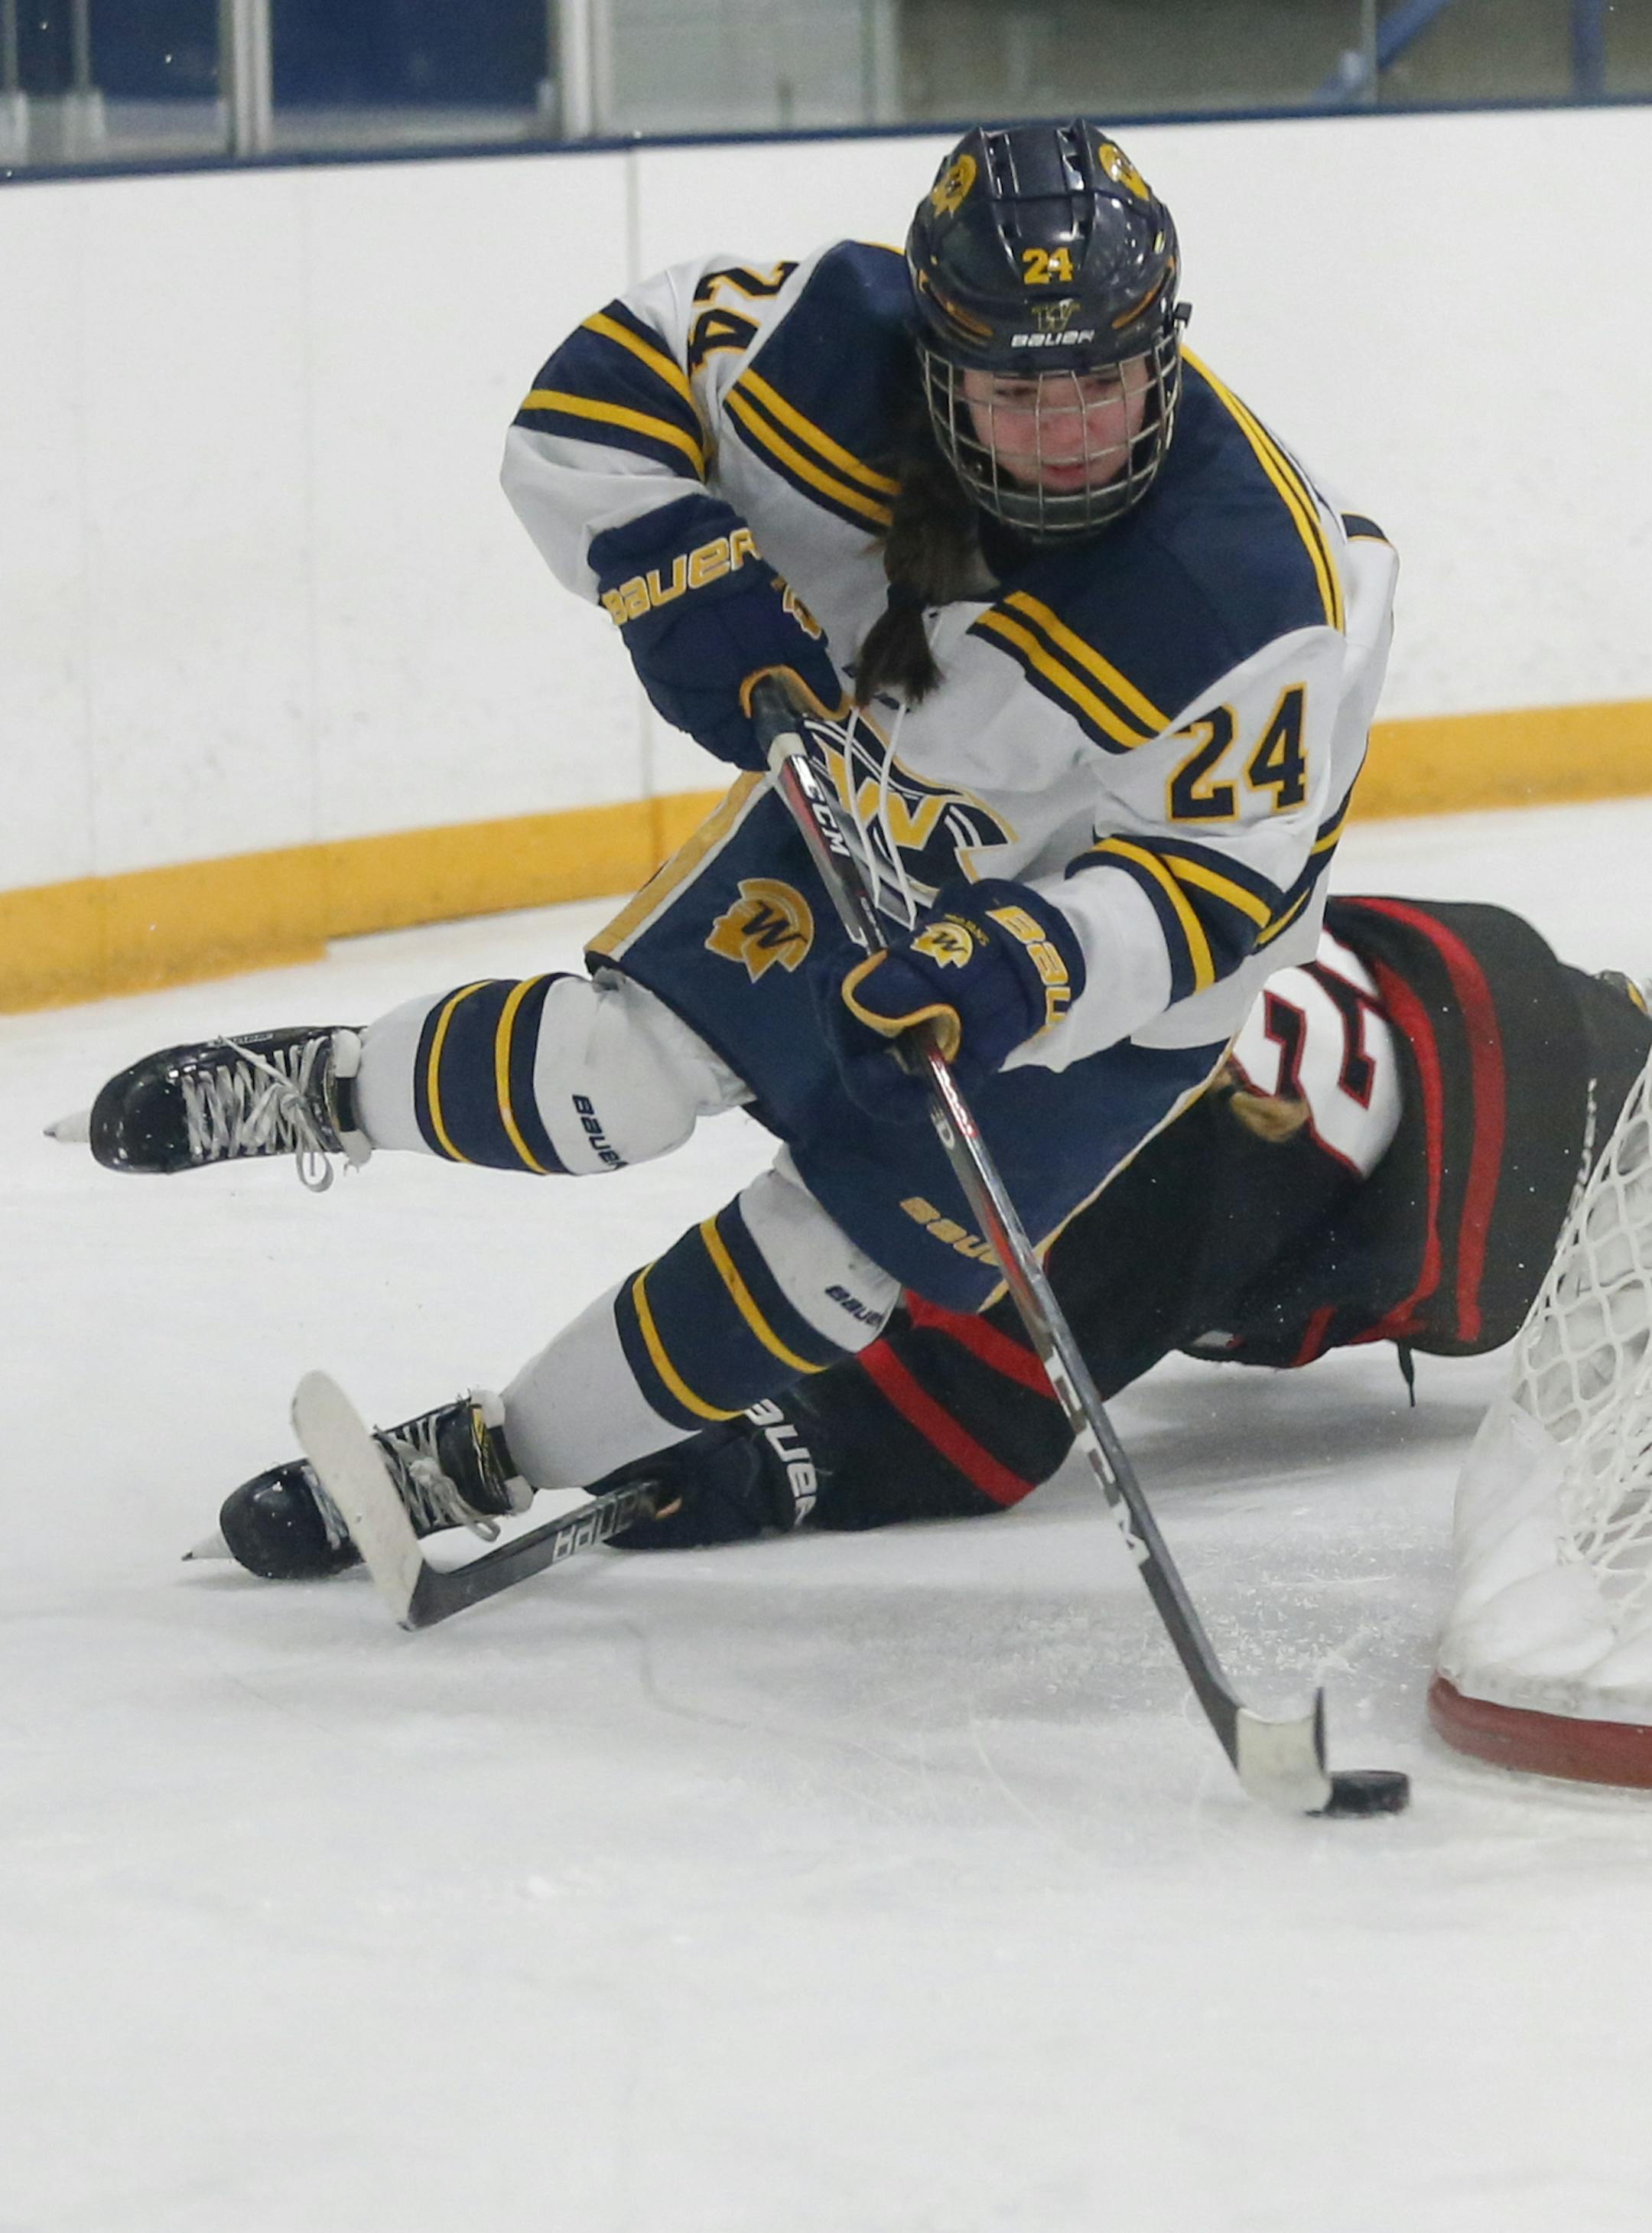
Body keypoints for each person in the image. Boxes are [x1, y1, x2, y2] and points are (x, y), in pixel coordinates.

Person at [74, 120, 1400, 1569]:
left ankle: (483, 1462)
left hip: (1111, 977)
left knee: (834, 1264)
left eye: (1105, 376)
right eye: (1022, 389)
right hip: (882, 799)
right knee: (614, 1079)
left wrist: (1019, 967)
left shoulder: (1254, 587)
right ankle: (319, 1090)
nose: (1073, 426)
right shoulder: (830, 342)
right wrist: (679, 574)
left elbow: (1221, 888)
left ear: (1164, 341)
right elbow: (595, 398)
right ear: (937, 350)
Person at [206, 898, 1652, 1576]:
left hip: (1505, 1148)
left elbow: (985, 1413)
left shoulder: (1154, 1166)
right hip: (1488, 1017)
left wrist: (785, 1454)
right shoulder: (1083, 994)